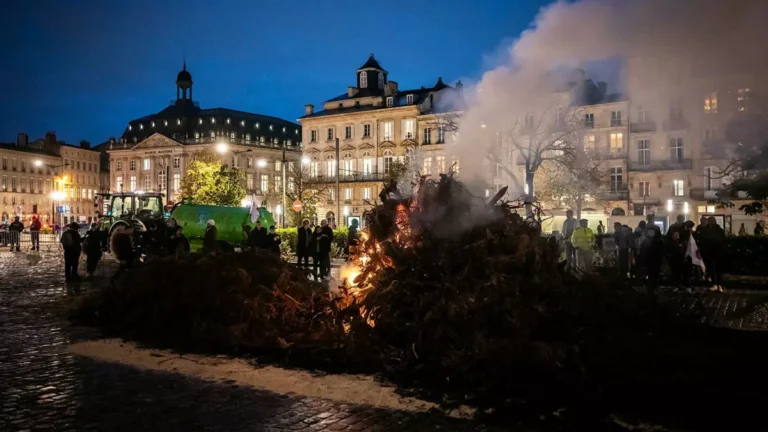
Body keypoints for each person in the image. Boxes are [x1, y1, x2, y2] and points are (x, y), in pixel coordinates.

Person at [700, 216, 726, 292]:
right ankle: (715, 284)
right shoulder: (706, 230)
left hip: (717, 252)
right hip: (710, 253)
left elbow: (722, 241)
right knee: (712, 269)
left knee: (718, 269)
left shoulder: (719, 230)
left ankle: (719, 285)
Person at [641, 214, 663, 299]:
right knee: (654, 273)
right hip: (654, 254)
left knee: (651, 273)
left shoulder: (646, 229)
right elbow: (659, 239)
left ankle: (650, 290)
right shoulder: (655, 228)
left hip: (650, 253)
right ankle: (653, 289)